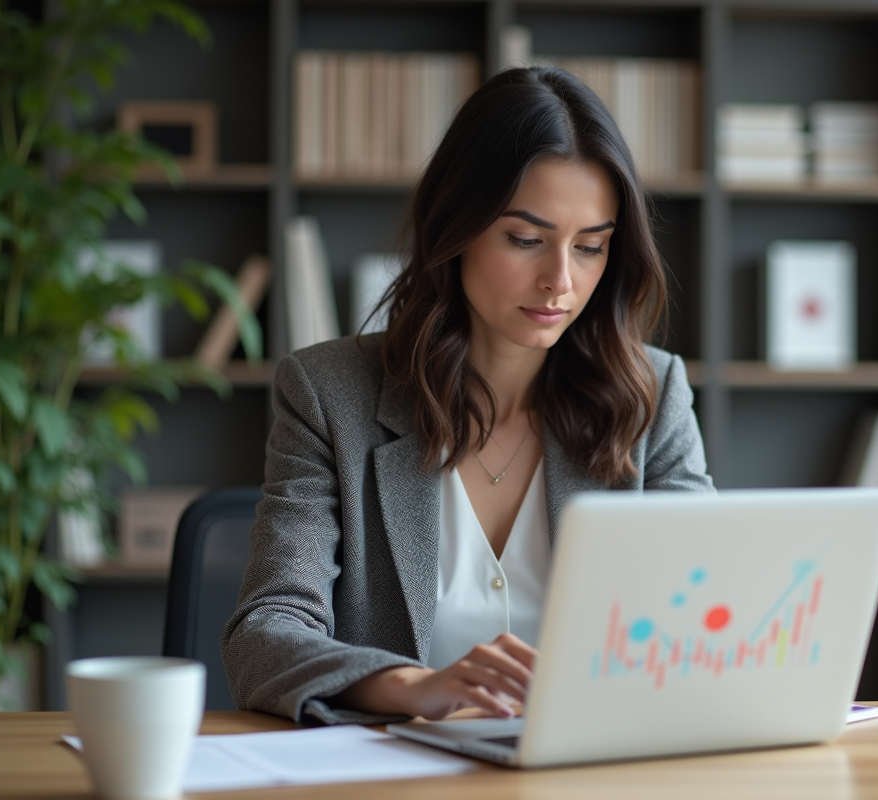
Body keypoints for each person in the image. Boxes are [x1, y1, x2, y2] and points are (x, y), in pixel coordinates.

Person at [221, 66, 714, 726]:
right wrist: (410, 687)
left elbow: (710, 616)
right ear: (456, 227)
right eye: (525, 240)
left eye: (591, 247)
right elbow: (264, 633)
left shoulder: (652, 397)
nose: (560, 282)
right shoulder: (327, 396)